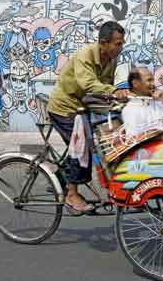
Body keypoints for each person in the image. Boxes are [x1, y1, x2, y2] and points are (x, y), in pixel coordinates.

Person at [47, 21, 130, 212]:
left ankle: (59, 179)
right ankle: (71, 194)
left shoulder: (111, 58)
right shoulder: (85, 55)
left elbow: (104, 88)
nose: (121, 47)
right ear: (103, 42)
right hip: (64, 108)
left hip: (83, 107)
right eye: (118, 43)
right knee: (81, 147)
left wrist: (118, 100)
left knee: (106, 139)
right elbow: (89, 84)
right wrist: (115, 91)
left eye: (122, 43)